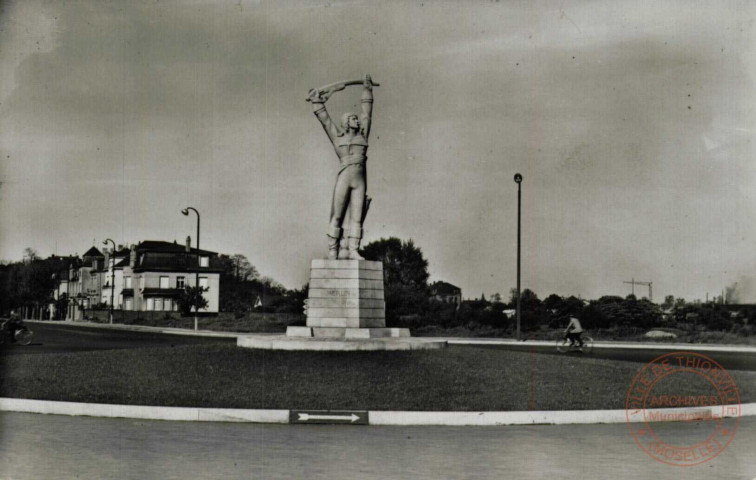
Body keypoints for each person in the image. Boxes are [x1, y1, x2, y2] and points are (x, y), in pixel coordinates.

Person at [309, 74, 374, 260]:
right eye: (353, 118)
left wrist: (367, 90)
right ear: (346, 122)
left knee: (357, 216)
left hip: (360, 180)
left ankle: (353, 249)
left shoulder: (363, 136)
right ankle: (333, 250)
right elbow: (325, 120)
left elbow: (367, 114)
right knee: (337, 215)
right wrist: (316, 101)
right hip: (345, 176)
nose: (357, 120)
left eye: (356, 118)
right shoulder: (337, 137)